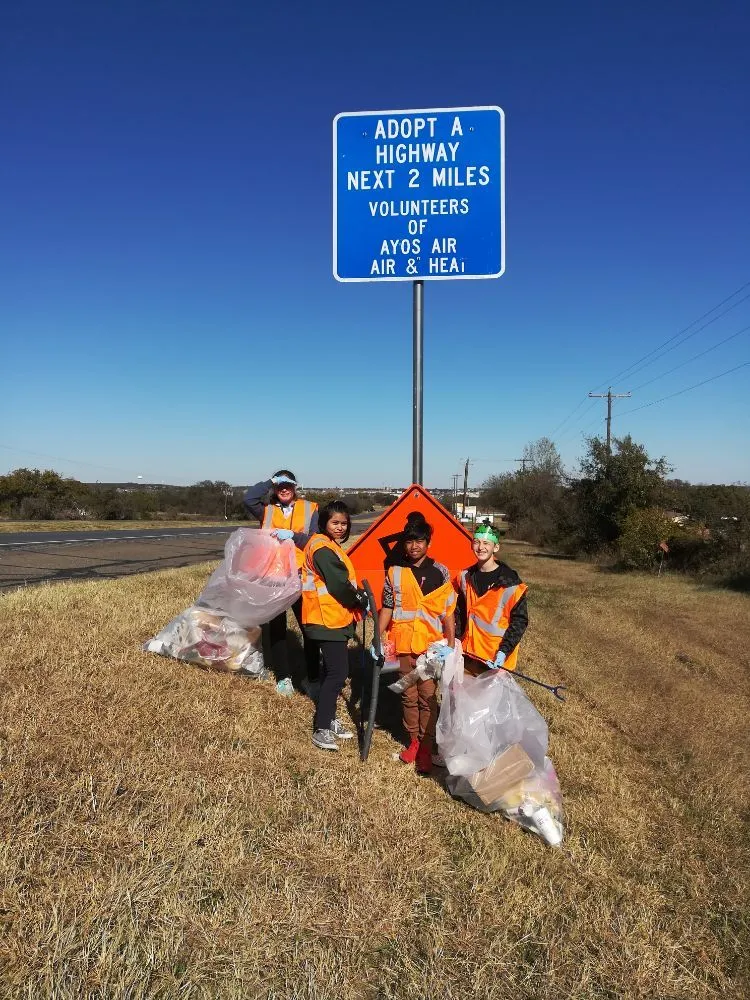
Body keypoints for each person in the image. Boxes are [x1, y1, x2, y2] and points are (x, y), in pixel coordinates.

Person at [377, 513, 456, 775]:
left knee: (427, 698)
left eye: (419, 541)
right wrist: (377, 638)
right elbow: (388, 607)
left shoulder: (440, 572)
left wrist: (450, 644)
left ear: (428, 543)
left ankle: (425, 746)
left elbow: (448, 612)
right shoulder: (394, 572)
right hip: (402, 647)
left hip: (430, 650)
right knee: (408, 697)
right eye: (409, 541)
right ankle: (413, 742)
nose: (414, 546)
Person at [301, 500, 369, 751]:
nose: (340, 527)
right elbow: (339, 584)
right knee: (338, 674)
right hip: (325, 619)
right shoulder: (321, 548)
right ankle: (322, 728)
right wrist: (359, 598)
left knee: (334, 672)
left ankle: (329, 718)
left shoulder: (328, 545)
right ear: (324, 523)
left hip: (331, 618)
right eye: (335, 522)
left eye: (344, 523)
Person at [243, 470, 320, 693]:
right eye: (279, 485)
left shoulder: (310, 509)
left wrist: (294, 536)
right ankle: (283, 677)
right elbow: (248, 498)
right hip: (274, 576)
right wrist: (269, 481)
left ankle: (313, 677)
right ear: (274, 488)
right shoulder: (266, 510)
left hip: (301, 575)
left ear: (295, 487)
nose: (284, 489)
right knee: (277, 629)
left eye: (288, 484)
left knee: (309, 627)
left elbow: (314, 540)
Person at [454, 519, 528, 677]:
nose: (480, 547)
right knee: (463, 693)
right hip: (468, 655)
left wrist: (503, 652)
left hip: (494, 660)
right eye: (476, 542)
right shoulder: (465, 577)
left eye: (486, 543)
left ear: (496, 547)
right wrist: (456, 640)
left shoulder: (511, 583)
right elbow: (459, 613)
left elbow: (519, 622)